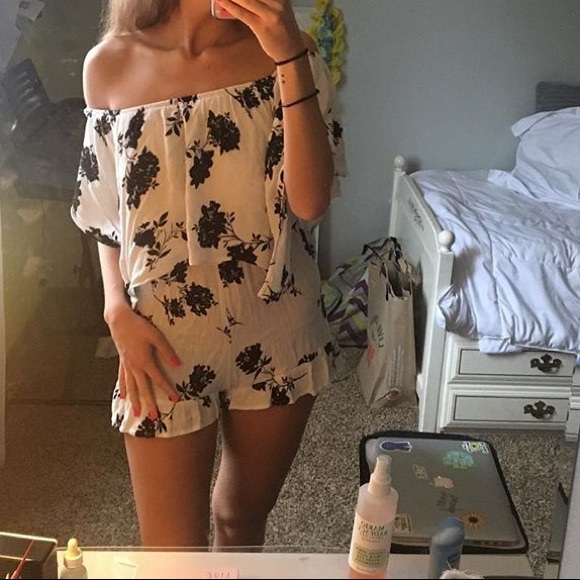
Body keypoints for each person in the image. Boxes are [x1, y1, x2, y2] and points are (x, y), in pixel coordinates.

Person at [71, 0, 346, 549]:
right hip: (160, 336)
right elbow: (105, 214)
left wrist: (289, 53)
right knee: (171, 552)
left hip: (279, 326)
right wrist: (115, 310)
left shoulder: (290, 54)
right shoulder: (109, 65)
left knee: (241, 524)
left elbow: (311, 202)